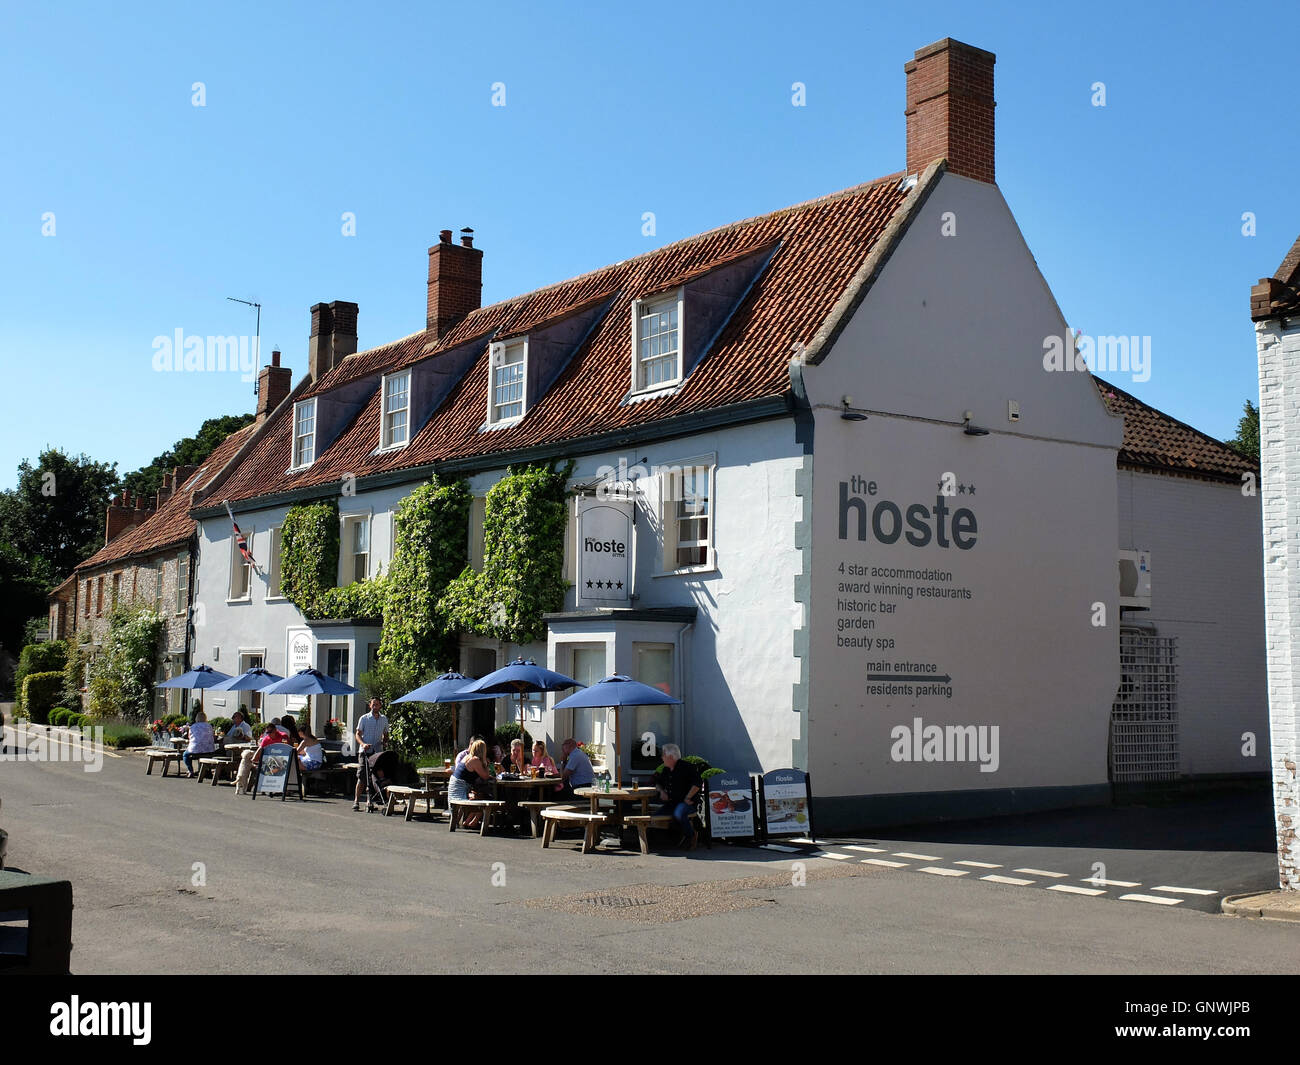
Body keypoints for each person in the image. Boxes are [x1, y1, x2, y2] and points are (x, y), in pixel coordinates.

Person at [655, 744, 702, 848]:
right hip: (672, 803)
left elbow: (698, 783)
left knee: (679, 813)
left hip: (687, 803)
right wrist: (662, 791)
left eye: (663, 755)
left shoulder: (687, 767)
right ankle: (667, 840)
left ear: (670, 757)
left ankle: (691, 835)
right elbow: (658, 784)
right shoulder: (666, 770)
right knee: (656, 817)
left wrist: (688, 797)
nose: (662, 757)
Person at [234, 719, 288, 795]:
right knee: (261, 766)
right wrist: (254, 759)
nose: (269, 734)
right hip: (270, 760)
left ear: (275, 730)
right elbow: (260, 749)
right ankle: (264, 787)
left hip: (282, 759)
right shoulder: (266, 739)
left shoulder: (283, 736)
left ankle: (280, 787)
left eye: (270, 732)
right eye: (267, 732)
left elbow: (286, 747)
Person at [353, 698, 389, 811]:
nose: (375, 706)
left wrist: (385, 741)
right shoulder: (364, 718)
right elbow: (357, 734)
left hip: (377, 751)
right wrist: (363, 744)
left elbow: (386, 733)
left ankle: (371, 800)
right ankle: (356, 801)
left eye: (377, 705)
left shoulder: (384, 719)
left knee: (375, 776)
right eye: (373, 704)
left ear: (380, 706)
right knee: (362, 776)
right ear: (370, 706)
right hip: (365, 751)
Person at [448, 738, 493, 828]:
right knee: (484, 800)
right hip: (460, 789)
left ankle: (468, 822)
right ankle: (471, 823)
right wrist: (486, 764)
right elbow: (485, 776)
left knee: (479, 797)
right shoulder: (475, 760)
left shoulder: (468, 757)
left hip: (457, 787)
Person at [183, 711, 217, 777]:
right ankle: (207, 771)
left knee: (185, 755)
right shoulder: (209, 726)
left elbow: (189, 737)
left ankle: (190, 770)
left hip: (195, 750)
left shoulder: (193, 726)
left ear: (197, 718)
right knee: (205, 754)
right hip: (209, 750)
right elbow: (213, 736)